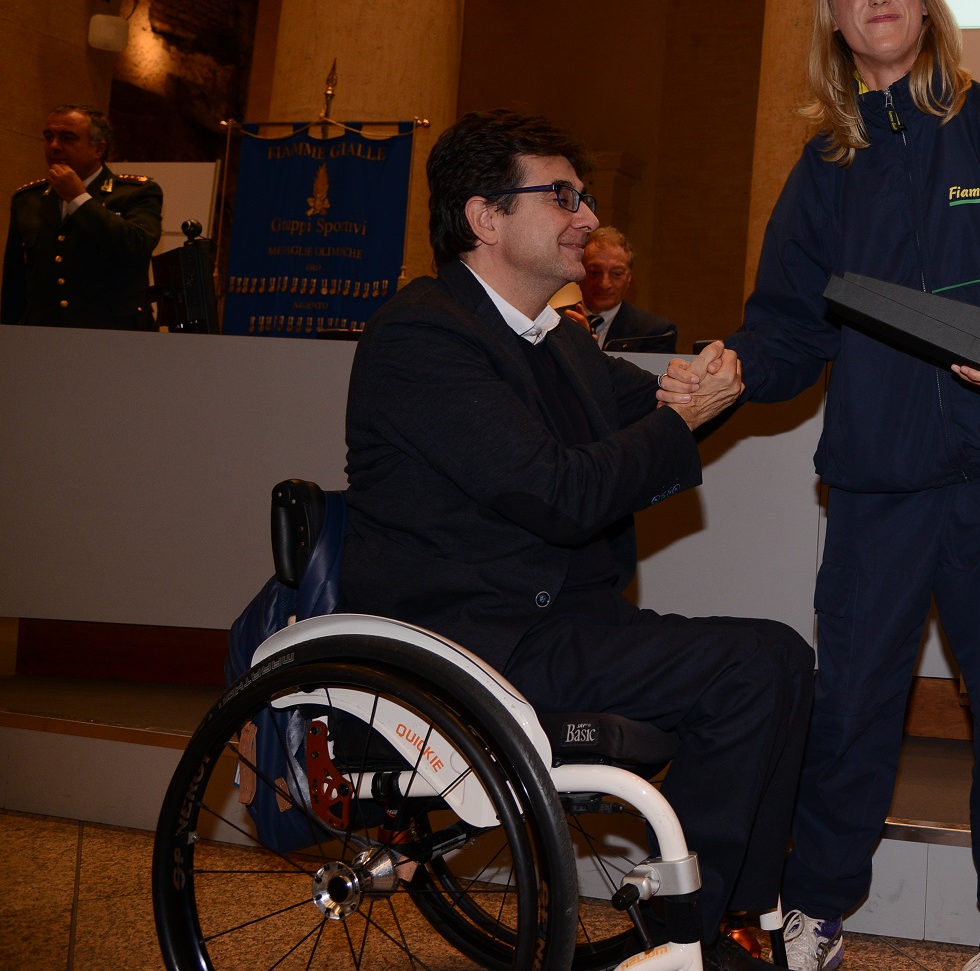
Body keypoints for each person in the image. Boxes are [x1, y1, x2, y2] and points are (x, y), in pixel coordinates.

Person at [695, 0, 980, 971]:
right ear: (835, 23)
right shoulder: (824, 170)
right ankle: (817, 909)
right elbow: (786, 327)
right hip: (878, 485)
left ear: (924, 4)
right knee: (849, 714)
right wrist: (735, 369)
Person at [338, 109, 811, 969]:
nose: (587, 217)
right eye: (561, 196)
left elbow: (653, 411)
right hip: (475, 643)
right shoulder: (422, 335)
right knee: (755, 664)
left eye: (583, 197)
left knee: (777, 661)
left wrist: (723, 376)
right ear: (484, 217)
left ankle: (723, 921)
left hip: (558, 626)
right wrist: (680, 418)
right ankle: (690, 935)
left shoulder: (552, 335)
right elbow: (559, 494)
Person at [3, 104, 162, 329]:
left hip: (112, 334)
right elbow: (15, 280)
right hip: (42, 332)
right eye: (49, 137)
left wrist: (79, 198)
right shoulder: (28, 199)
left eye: (67, 138)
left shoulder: (136, 193)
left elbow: (135, 245)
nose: (54, 146)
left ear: (98, 149)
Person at [574, 225, 679, 352]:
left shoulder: (656, 332)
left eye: (616, 274)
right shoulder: (556, 321)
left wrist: (587, 346)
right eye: (594, 272)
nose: (604, 284)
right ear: (578, 274)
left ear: (629, 278)